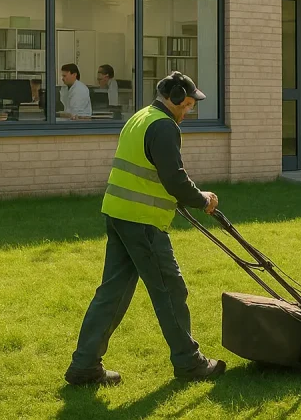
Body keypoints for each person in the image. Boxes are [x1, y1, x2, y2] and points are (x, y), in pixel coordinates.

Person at [65, 71, 225, 387]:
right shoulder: (164, 126)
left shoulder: (141, 117)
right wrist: (202, 198)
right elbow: (174, 178)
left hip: (119, 213)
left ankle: (84, 366)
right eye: (188, 104)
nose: (188, 111)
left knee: (112, 291)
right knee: (169, 289)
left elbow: (150, 172)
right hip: (142, 221)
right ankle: (189, 361)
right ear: (176, 97)